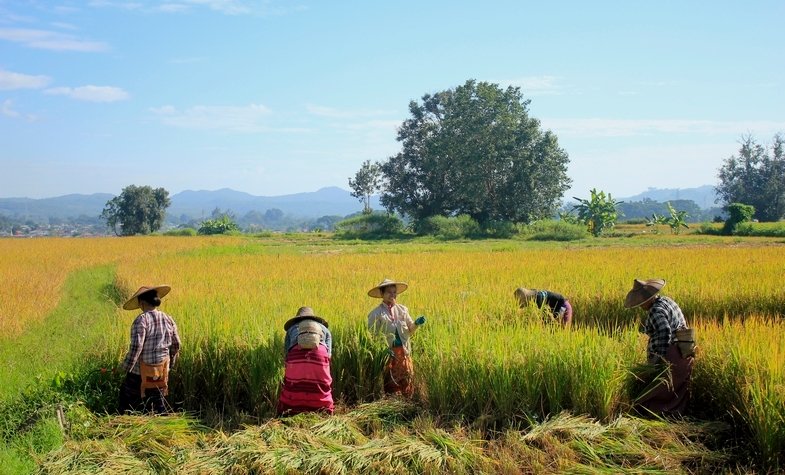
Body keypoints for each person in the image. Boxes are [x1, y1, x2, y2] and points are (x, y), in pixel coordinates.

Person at [624, 278, 694, 417]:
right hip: (685, 350)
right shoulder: (667, 301)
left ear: (646, 300)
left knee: (658, 390)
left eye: (640, 303)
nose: (640, 306)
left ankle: (652, 416)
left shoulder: (655, 311)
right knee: (677, 390)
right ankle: (676, 419)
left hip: (672, 355)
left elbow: (664, 331)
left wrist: (658, 358)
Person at [118, 285, 180, 414]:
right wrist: (169, 365)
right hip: (161, 371)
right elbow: (176, 345)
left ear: (141, 303)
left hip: (140, 373)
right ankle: (161, 424)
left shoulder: (141, 320)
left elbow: (136, 348)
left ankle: (124, 421)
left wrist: (124, 368)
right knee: (158, 402)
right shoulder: (168, 319)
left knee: (126, 398)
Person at [367, 278, 426, 398]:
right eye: (389, 292)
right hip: (389, 353)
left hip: (404, 351)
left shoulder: (403, 310)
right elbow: (372, 336)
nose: (392, 295)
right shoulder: (375, 314)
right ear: (382, 294)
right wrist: (383, 349)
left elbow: (410, 329)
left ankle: (407, 403)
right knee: (391, 380)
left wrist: (417, 323)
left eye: (394, 292)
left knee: (407, 376)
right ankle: (393, 404)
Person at [277, 306, 334, 415]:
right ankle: (323, 407)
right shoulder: (324, 328)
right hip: (320, 354)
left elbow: (287, 353)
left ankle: (292, 408)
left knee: (293, 381)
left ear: (298, 318)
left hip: (295, 354)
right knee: (322, 382)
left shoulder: (291, 329)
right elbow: (329, 355)